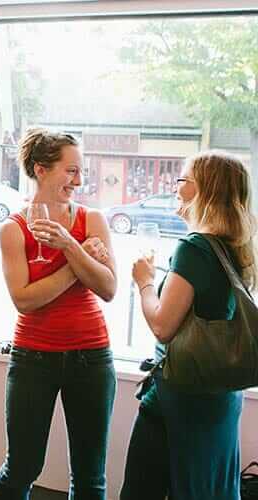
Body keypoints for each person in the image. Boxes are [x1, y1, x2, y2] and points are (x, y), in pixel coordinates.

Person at [0, 128, 117, 499]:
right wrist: (78, 259)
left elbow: (108, 289)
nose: (79, 180)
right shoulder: (12, 229)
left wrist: (67, 245)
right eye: (71, 171)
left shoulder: (92, 220)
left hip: (92, 358)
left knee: (90, 476)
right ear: (41, 169)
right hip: (32, 358)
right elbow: (25, 300)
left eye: (81, 171)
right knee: (22, 467)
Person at [120, 151, 254, 500]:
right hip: (219, 398)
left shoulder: (194, 248)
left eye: (183, 180)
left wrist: (145, 281)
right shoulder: (232, 248)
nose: (177, 188)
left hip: (180, 397)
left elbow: (163, 326)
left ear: (205, 189)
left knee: (141, 489)